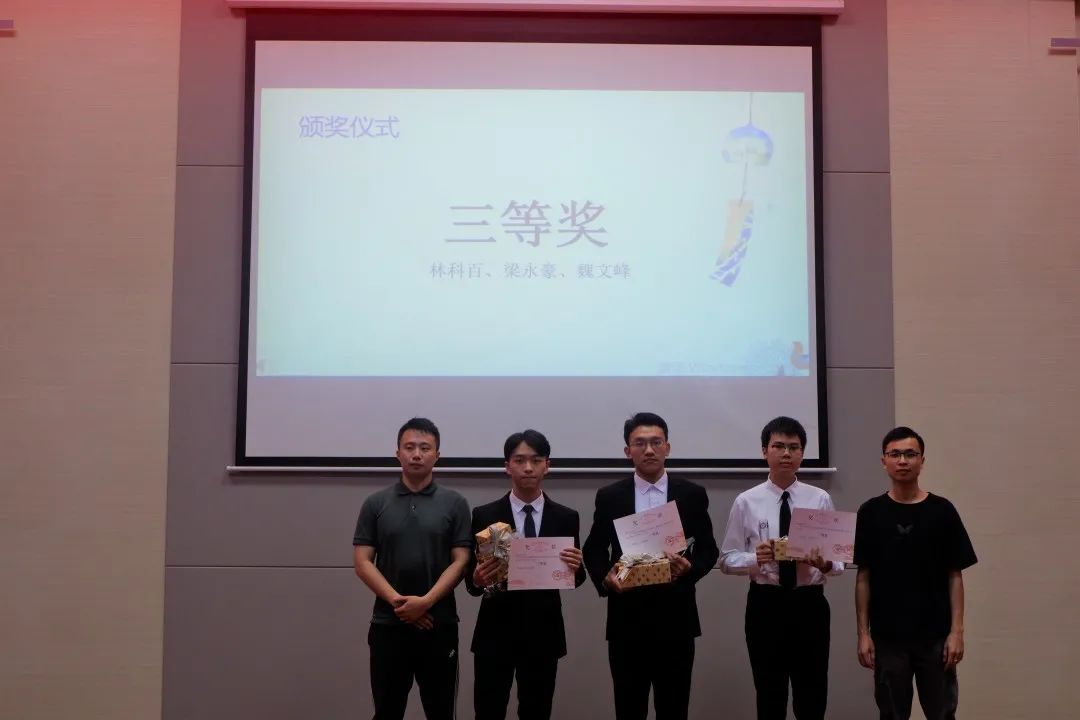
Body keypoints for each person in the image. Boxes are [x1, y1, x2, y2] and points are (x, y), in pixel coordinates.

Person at [582, 412, 719, 720]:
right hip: (626, 620)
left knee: (674, 709)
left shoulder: (692, 494)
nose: (648, 450)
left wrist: (690, 568)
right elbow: (594, 549)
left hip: (677, 618)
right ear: (627, 451)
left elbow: (709, 549)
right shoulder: (610, 496)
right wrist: (605, 577)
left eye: (656, 442)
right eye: (640, 443)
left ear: (667, 448)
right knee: (629, 709)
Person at [719, 416, 841, 720]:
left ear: (802, 453)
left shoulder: (820, 498)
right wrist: (755, 558)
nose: (786, 453)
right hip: (766, 605)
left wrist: (824, 562)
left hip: (809, 604)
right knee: (769, 693)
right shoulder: (746, 501)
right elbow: (726, 560)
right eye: (779, 446)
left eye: (794, 447)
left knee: (812, 694)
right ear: (765, 451)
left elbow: (838, 563)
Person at [352, 417, 472, 720]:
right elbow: (363, 562)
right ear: (398, 454)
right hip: (388, 625)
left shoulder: (455, 503)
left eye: (424, 448)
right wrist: (400, 603)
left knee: (441, 712)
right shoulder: (375, 503)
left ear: (437, 455)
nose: (416, 454)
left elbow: (461, 561)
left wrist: (426, 602)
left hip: (439, 625)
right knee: (387, 712)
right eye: (409, 447)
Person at [854, 426, 977, 720]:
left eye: (910, 454)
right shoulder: (870, 512)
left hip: (936, 638)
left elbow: (955, 576)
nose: (903, 461)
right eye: (895, 454)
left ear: (922, 460)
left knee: (942, 713)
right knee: (891, 714)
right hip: (887, 638)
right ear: (884, 461)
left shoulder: (943, 511)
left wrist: (957, 632)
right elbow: (863, 578)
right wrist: (863, 634)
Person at [464, 429, 587, 720]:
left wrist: (576, 566)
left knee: (537, 711)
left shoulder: (566, 516)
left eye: (536, 460)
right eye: (519, 460)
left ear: (547, 466)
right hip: (495, 632)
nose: (528, 467)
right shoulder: (485, 515)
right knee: (488, 711)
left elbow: (577, 577)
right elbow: (472, 580)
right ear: (507, 466)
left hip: (543, 632)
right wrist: (477, 579)